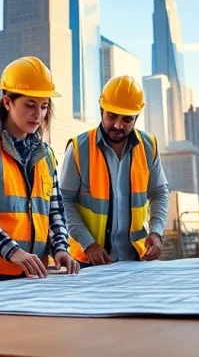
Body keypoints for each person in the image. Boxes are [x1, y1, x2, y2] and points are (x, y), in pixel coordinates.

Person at [0, 56, 80, 284]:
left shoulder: (46, 155)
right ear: (7, 102)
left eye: (44, 107)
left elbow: (54, 211)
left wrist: (60, 248)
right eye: (30, 105)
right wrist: (11, 250)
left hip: (34, 277)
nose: (38, 115)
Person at [59, 75, 170, 265]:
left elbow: (159, 193)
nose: (118, 125)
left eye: (127, 119)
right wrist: (88, 243)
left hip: (135, 259)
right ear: (102, 110)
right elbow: (63, 201)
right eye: (112, 116)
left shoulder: (148, 146)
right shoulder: (79, 148)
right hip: (87, 260)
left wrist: (156, 232)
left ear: (136, 118)